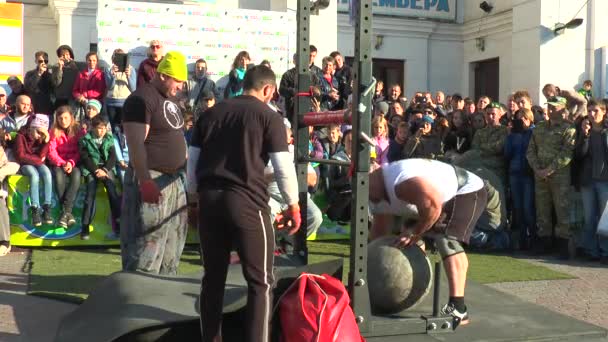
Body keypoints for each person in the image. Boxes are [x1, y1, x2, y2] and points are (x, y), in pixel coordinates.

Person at [187, 65, 300, 342]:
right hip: (246, 202)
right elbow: (283, 167)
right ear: (268, 90)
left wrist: (193, 203)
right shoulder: (269, 117)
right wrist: (293, 205)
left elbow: (192, 163)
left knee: (212, 280)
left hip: (210, 201)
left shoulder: (210, 114)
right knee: (260, 282)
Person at [368, 158, 487, 327]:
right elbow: (379, 234)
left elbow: (433, 207)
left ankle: (458, 308)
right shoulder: (374, 194)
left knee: (446, 239)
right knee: (408, 231)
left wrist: (414, 233)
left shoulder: (400, 181)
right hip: (428, 201)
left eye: (365, 182)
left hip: (465, 190)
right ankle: (418, 281)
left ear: (375, 173)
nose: (362, 189)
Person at [120, 51, 189, 274]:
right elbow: (135, 143)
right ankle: (136, 299)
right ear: (162, 75)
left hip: (174, 181)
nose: (180, 86)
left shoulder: (171, 100)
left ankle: (164, 293)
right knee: (147, 246)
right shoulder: (141, 99)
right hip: (152, 177)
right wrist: (145, 180)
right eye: (177, 80)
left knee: (172, 244)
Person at [526, 96, 576, 258]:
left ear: (563, 109)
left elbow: (567, 153)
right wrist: (537, 168)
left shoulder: (569, 129)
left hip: (559, 177)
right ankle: (544, 242)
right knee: (542, 210)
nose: (550, 109)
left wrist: (549, 169)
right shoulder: (539, 127)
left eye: (554, 107)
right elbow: (530, 150)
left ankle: (563, 245)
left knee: (562, 210)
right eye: (549, 106)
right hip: (540, 175)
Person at [573, 100, 608, 263]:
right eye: (590, 111)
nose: (592, 114)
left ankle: (605, 251)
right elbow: (579, 154)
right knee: (589, 218)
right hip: (588, 181)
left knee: (604, 218)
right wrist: (585, 135)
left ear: (604, 111)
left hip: (605, 182)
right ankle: (591, 250)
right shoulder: (583, 132)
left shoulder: (606, 132)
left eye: (596, 111)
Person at [79, 115, 121, 240]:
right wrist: (96, 170)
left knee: (113, 193)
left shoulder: (110, 139)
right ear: (92, 128)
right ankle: (85, 227)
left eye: (103, 128)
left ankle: (118, 225)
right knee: (89, 196)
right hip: (91, 170)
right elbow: (85, 158)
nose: (100, 131)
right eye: (97, 128)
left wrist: (105, 170)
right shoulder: (85, 140)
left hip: (106, 169)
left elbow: (113, 157)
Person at [47, 106, 85, 228]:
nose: (63, 121)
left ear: (71, 118)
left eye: (66, 118)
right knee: (58, 177)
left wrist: (71, 162)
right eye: (60, 118)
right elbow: (51, 151)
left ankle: (65, 212)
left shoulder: (78, 130)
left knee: (76, 175)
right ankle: (68, 212)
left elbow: (81, 150)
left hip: (74, 162)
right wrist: (62, 163)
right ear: (57, 119)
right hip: (59, 163)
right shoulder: (53, 131)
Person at [14, 114, 52, 227]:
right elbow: (21, 156)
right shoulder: (20, 136)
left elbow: (42, 155)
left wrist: (46, 141)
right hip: (25, 164)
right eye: (38, 132)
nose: (39, 136)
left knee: (47, 173)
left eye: (42, 133)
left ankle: (47, 207)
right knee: (34, 175)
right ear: (31, 127)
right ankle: (35, 208)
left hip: (36, 162)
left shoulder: (41, 138)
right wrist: (39, 160)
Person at [104, 48, 137, 128]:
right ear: (113, 59)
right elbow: (110, 87)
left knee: (124, 128)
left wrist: (128, 76)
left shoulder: (131, 69)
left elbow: (133, 89)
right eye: (116, 57)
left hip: (125, 102)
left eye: (121, 57)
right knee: (113, 127)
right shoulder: (108, 70)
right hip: (111, 102)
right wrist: (113, 76)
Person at [0, 132, 20, 256]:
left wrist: (1, 172)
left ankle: (5, 242)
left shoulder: (8, 152)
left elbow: (15, 165)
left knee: (0, 204)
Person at [73, 52, 106, 122]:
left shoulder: (101, 74)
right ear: (86, 61)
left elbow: (99, 91)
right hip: (81, 102)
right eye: (89, 60)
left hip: (94, 103)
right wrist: (79, 96)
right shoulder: (81, 74)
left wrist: (85, 94)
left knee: (93, 122)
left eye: (94, 60)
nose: (91, 62)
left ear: (97, 62)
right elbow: (75, 90)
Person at [51, 45, 81, 110]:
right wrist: (60, 68)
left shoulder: (76, 66)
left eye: (67, 54)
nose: (65, 57)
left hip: (72, 98)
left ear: (70, 55)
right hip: (60, 97)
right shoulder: (56, 67)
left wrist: (72, 64)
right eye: (62, 55)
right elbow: (56, 82)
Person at [23, 51, 54, 115]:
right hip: (34, 108)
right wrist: (39, 74)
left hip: (47, 109)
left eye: (45, 61)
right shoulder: (30, 74)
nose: (43, 63)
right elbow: (29, 88)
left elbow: (54, 88)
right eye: (40, 61)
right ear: (36, 61)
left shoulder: (50, 75)